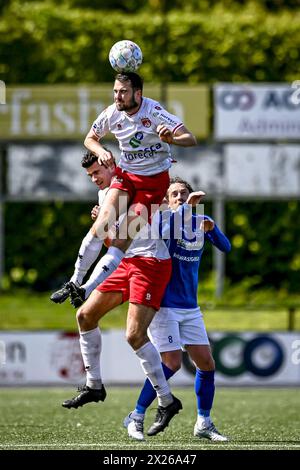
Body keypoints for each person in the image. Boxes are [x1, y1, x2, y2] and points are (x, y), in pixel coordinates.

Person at [64, 71, 197, 306]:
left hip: (153, 187)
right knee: (102, 223)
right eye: (115, 91)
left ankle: (85, 290)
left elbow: (190, 138)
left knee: (122, 239)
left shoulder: (154, 112)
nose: (118, 96)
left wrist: (171, 139)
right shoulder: (112, 113)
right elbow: (90, 138)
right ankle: (74, 281)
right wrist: (101, 151)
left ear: (138, 93)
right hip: (126, 177)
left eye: (123, 92)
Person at [123, 177, 231, 442]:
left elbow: (225, 247)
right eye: (174, 194)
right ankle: (135, 415)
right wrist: (185, 210)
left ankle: (203, 422)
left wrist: (212, 228)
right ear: (167, 200)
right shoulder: (163, 223)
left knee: (206, 363)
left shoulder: (198, 224)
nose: (180, 197)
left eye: (184, 193)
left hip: (190, 308)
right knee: (170, 363)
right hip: (165, 307)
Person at [50, 149, 116, 304]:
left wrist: (105, 219)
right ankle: (79, 286)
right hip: (121, 261)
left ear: (111, 165)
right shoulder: (103, 194)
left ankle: (79, 284)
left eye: (97, 172)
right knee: (85, 317)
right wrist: (103, 221)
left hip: (144, 261)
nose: (94, 179)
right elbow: (111, 244)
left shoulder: (127, 186)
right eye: (90, 175)